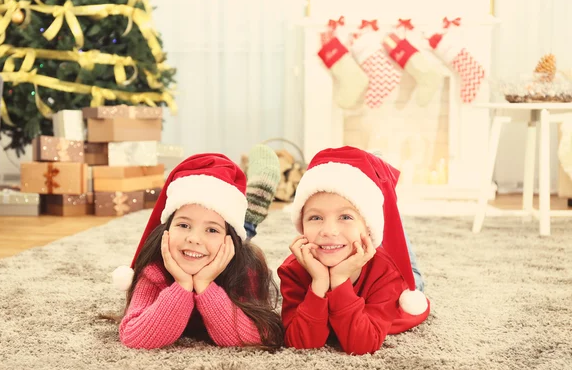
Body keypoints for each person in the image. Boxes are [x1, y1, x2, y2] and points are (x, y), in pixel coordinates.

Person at [111, 149, 283, 350]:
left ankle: (251, 212)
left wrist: (205, 285)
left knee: (243, 232)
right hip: (214, 245)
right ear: (166, 230)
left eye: (211, 229)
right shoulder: (155, 270)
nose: (193, 239)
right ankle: (242, 215)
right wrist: (183, 285)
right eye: (183, 225)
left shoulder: (245, 269)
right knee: (214, 233)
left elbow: (256, 337)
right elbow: (134, 337)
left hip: (228, 250)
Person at [277, 146, 430, 355]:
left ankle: (387, 199)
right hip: (353, 245)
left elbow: (362, 345)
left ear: (367, 225)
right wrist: (319, 282)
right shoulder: (293, 269)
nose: (328, 231)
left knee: (415, 281)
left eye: (345, 217)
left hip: (387, 268)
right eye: (315, 218)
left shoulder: (387, 272)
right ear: (301, 225)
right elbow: (301, 342)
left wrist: (339, 280)